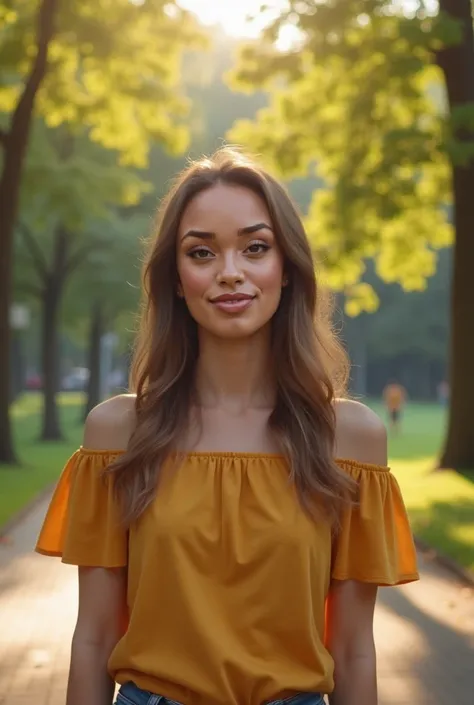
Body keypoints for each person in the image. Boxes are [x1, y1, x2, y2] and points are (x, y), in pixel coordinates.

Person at [35, 148, 419, 705]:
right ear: (175, 277)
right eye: (201, 252)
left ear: (286, 269)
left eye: (255, 247)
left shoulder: (351, 440)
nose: (230, 272)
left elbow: (356, 649)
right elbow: (93, 640)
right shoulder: (117, 433)